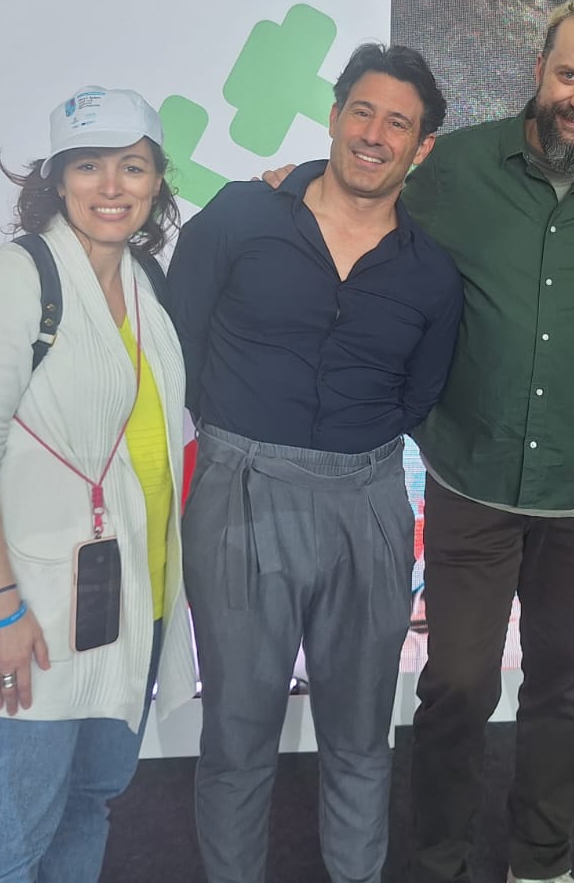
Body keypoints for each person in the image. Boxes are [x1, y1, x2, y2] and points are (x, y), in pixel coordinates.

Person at [167, 44, 463, 883]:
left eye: (397, 123)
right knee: (236, 734)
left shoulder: (432, 274)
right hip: (238, 491)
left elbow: (419, 395)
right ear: (333, 118)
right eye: (361, 111)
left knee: (363, 736)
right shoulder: (238, 215)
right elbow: (177, 344)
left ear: (421, 147)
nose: (374, 134)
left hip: (367, 501)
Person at [401, 0, 574, 883]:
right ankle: (439, 861)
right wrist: (291, 183)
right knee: (457, 684)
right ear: (538, 69)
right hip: (471, 474)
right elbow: (365, 207)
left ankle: (541, 862)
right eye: (570, 74)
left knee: (560, 687)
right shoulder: (456, 167)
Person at [0, 87, 195, 883]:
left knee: (88, 803)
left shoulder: (144, 282)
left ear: (156, 181)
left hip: (133, 599)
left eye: (132, 167)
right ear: (55, 179)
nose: (112, 186)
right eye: (89, 166)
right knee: (6, 835)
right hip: (35, 608)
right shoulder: (17, 281)